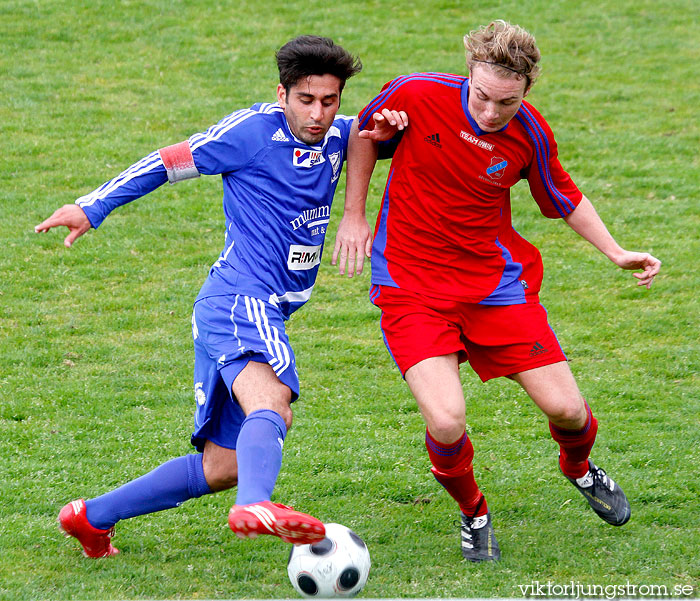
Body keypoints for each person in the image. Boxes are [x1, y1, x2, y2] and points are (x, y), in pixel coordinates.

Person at [35, 35, 400, 558]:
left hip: (245, 309)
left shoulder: (340, 136)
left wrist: (395, 128)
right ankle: (256, 504)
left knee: (222, 466)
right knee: (273, 401)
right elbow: (167, 163)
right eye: (305, 100)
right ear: (282, 93)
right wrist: (92, 207)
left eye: (329, 100)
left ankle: (91, 516)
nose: (318, 114)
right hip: (239, 300)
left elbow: (378, 136)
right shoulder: (250, 133)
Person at [333, 20, 661, 562]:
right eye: (482, 97)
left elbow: (564, 196)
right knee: (445, 419)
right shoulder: (416, 93)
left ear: (526, 91)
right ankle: (474, 512)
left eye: (506, 103)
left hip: (493, 286)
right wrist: (353, 215)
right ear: (469, 76)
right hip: (411, 285)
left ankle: (578, 468)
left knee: (569, 411)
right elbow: (362, 135)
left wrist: (615, 251)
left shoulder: (529, 133)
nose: (490, 114)